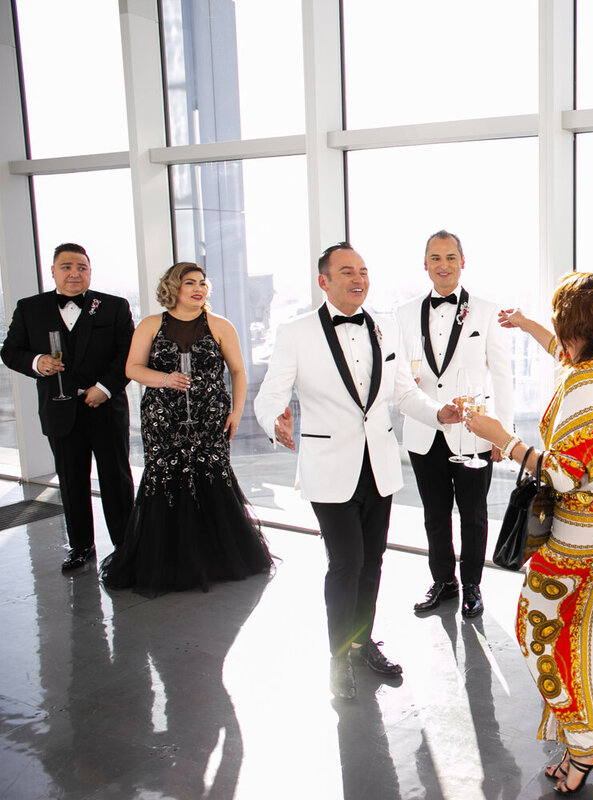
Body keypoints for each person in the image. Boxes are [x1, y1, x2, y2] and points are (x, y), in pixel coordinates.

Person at [464, 272, 593, 795]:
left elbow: (561, 475)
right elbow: (567, 359)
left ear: (578, 328)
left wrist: (502, 439)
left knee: (538, 631)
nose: (557, 335)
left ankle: (586, 745)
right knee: (591, 635)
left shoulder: (581, 386)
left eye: (559, 324)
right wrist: (526, 327)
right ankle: (585, 739)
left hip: (581, 534)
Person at [253, 242, 461, 701]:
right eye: (347, 271)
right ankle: (336, 660)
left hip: (379, 465)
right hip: (329, 466)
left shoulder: (387, 327)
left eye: (363, 270)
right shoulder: (296, 333)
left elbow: (404, 394)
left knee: (372, 563)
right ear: (324, 281)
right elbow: (268, 398)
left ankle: (362, 643)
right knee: (345, 563)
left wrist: (439, 413)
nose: (358, 278)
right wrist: (276, 422)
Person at [100, 262, 273, 595]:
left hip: (211, 417)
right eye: (189, 282)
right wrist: (165, 379)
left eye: (202, 283)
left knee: (212, 476)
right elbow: (133, 368)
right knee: (166, 479)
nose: (198, 288)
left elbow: (237, 371)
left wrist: (237, 411)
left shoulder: (220, 325)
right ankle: (167, 563)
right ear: (173, 288)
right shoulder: (151, 325)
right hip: (163, 417)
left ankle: (218, 560)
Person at [398, 230, 513, 619]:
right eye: (435, 258)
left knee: (474, 515)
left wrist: (505, 434)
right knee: (434, 514)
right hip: (425, 429)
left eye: (450, 257)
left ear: (463, 262)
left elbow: (502, 377)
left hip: (475, 433)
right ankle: (444, 582)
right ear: (425, 264)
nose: (443, 265)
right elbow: (400, 371)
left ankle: (473, 586)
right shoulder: (404, 312)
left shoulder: (485, 311)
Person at [1, 242, 135, 573]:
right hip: (59, 408)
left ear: (90, 271)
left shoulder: (114, 307)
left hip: (105, 406)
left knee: (115, 478)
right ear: (53, 270)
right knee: (71, 479)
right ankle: (80, 547)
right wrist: (37, 361)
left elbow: (129, 356)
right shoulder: (30, 308)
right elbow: (10, 351)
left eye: (81, 267)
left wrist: (103, 389)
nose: (74, 273)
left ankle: (127, 545)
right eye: (66, 267)